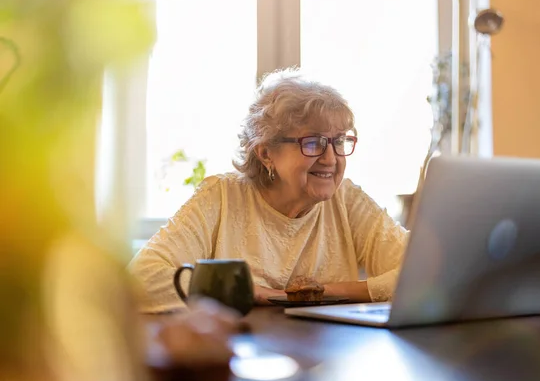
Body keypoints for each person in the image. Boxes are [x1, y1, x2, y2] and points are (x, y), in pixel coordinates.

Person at [128, 68, 409, 312]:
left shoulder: (346, 200)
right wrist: (248, 292)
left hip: (328, 359)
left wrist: (322, 291)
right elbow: (143, 278)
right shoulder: (222, 196)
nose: (331, 158)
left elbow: (427, 271)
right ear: (265, 153)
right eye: (313, 143)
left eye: (338, 141)